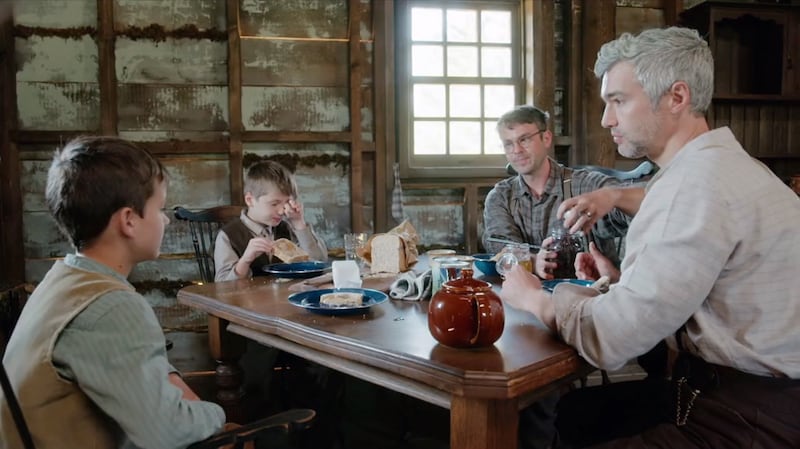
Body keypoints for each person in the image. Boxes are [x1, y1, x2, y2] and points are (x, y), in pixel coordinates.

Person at [501, 26, 800, 448]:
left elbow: (612, 340)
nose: (607, 119)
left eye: (618, 101)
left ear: (676, 98)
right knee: (575, 414)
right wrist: (622, 282)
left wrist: (533, 297)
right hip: (724, 394)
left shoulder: (697, 184)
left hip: (748, 419)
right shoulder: (721, 167)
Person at [0, 136, 225, 448]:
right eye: (159, 209)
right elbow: (166, 433)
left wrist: (168, 377)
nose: (165, 220)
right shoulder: (112, 305)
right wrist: (216, 413)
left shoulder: (66, 277)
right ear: (129, 220)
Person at [481, 105, 631, 280]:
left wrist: (612, 196)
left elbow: (647, 202)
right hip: (529, 298)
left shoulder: (586, 185)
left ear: (546, 138)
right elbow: (501, 248)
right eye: (508, 144)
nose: (516, 150)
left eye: (524, 140)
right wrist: (533, 260)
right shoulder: (500, 197)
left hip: (591, 297)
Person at [214, 160, 327, 282]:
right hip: (247, 299)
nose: (281, 211)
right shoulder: (229, 236)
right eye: (274, 204)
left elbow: (319, 263)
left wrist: (299, 223)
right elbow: (222, 286)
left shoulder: (287, 229)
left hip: (284, 297)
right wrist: (245, 260)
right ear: (250, 200)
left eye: (287, 202)